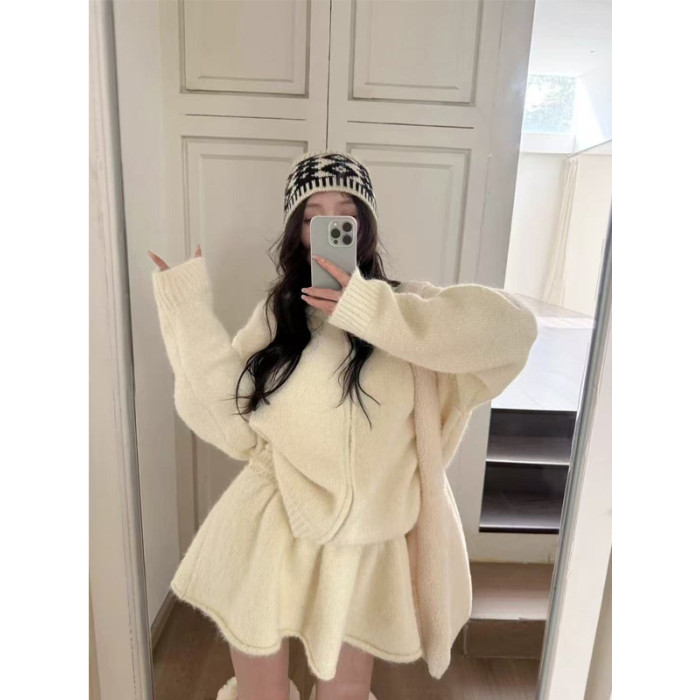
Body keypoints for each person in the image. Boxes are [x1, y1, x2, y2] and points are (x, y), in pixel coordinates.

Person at [147, 150, 538, 700]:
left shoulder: (408, 310)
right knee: (261, 695)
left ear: (364, 229)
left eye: (346, 215)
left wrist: (368, 311)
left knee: (346, 694)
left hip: (368, 543)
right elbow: (231, 421)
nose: (330, 226)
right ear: (299, 234)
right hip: (273, 526)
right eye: (313, 217)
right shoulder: (279, 315)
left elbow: (513, 333)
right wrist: (187, 311)